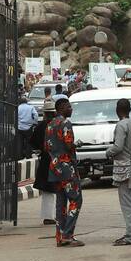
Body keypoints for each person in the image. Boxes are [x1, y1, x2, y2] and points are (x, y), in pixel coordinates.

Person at [46, 97, 84, 247]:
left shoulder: (50, 125)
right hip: (66, 167)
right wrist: (76, 145)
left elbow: (47, 147)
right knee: (76, 199)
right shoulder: (66, 123)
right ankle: (68, 234)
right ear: (61, 108)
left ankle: (60, 236)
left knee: (60, 203)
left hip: (54, 167)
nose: (71, 109)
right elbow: (69, 145)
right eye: (69, 107)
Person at [105, 98, 131, 246]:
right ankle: (130, 232)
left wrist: (108, 152)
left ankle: (130, 235)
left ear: (117, 110)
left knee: (126, 202)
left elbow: (118, 146)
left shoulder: (121, 125)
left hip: (124, 166)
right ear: (130, 110)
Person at [29, 111, 55, 226]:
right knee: (52, 189)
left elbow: (32, 141)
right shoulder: (57, 125)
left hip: (45, 160)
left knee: (48, 190)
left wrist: (40, 148)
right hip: (55, 159)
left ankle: (49, 215)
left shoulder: (40, 126)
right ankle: (50, 216)